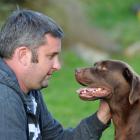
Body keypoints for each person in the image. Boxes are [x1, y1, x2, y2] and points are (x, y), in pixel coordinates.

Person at [0, 9, 111, 140]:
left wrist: (102, 116)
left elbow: (56, 138)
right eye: (50, 56)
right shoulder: (5, 100)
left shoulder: (28, 90)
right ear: (23, 55)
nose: (57, 65)